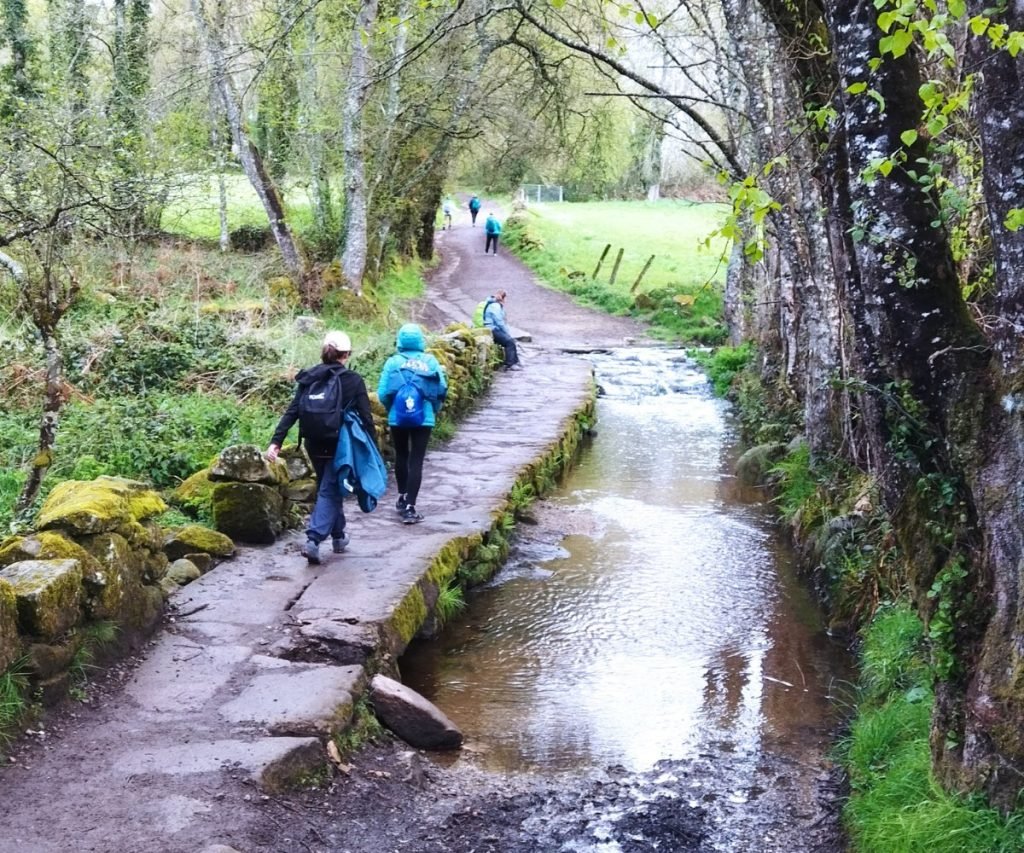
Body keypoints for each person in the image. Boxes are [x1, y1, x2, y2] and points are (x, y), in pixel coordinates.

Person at [266, 330, 377, 564]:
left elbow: (293, 411)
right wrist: (372, 449)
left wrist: (276, 441)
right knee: (330, 489)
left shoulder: (310, 377)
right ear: (346, 354)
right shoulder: (353, 380)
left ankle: (339, 537)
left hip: (313, 442)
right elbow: (367, 418)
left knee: (330, 485)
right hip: (340, 443)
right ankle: (313, 540)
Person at [377, 323, 448, 524]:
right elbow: (441, 389)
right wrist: (433, 409)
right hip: (423, 418)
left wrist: (392, 408)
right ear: (420, 340)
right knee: (416, 459)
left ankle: (401, 496)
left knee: (401, 455)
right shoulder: (430, 361)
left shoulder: (393, 362)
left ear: (400, 340)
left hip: (398, 417)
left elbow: (383, 393)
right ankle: (410, 507)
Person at [483, 290, 521, 371]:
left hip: (493, 328)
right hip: (492, 329)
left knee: (510, 341)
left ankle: (515, 362)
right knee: (509, 342)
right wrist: (507, 332)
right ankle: (510, 364)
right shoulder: (495, 306)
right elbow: (499, 322)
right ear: (503, 298)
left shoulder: (494, 304)